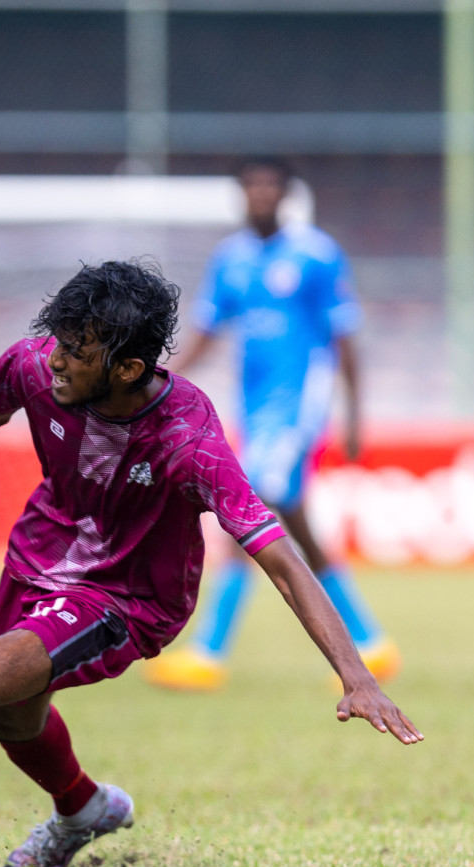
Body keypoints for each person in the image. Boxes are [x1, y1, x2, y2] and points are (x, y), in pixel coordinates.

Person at [0, 260, 421, 867]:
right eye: (58, 339)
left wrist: (355, 675)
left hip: (124, 599)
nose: (55, 359)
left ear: (129, 368)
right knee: (8, 718)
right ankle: (85, 809)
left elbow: (278, 557)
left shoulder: (188, 440)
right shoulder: (36, 363)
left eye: (76, 351)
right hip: (37, 560)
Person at [144, 156, 398, 692]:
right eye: (250, 187)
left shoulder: (316, 255)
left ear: (286, 195)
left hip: (299, 407)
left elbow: (345, 338)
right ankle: (371, 643)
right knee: (297, 527)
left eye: (269, 187)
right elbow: (208, 333)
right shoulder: (231, 259)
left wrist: (354, 416)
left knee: (246, 514)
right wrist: (152, 379)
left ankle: (210, 651)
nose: (259, 195)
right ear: (241, 196)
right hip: (255, 414)